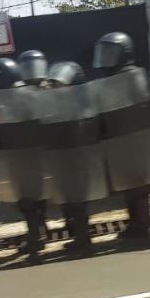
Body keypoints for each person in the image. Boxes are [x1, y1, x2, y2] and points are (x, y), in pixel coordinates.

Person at [91, 32, 150, 241]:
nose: (105, 58)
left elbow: (140, 107)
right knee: (130, 185)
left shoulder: (132, 75)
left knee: (138, 185)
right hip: (121, 138)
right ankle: (136, 224)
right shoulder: (116, 78)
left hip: (134, 138)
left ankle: (143, 226)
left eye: (110, 52)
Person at [0, 58, 49, 259]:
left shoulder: (15, 97)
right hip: (30, 154)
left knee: (27, 197)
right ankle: (39, 232)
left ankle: (36, 237)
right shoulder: (25, 93)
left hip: (22, 154)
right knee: (34, 194)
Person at [45, 61, 101, 255]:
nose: (57, 89)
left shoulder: (80, 106)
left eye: (62, 85)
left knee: (78, 201)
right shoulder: (60, 104)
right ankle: (79, 238)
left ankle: (84, 241)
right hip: (65, 158)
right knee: (71, 200)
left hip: (77, 158)